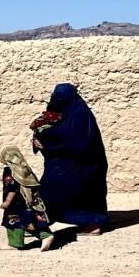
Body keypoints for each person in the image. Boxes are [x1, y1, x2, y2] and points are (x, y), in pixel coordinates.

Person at [31, 83, 110, 234]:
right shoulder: (68, 112)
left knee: (55, 189)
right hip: (70, 163)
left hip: (84, 165)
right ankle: (41, 222)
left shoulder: (79, 115)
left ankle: (92, 223)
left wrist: (46, 141)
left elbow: (72, 140)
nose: (55, 100)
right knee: (57, 190)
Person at [0, 146, 54, 251]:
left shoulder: (10, 171)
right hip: (28, 201)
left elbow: (12, 188)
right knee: (30, 221)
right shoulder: (24, 168)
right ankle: (46, 235)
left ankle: (15, 244)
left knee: (14, 222)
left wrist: (7, 202)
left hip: (15, 204)